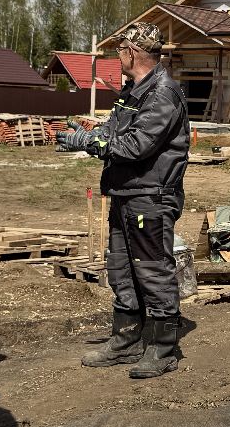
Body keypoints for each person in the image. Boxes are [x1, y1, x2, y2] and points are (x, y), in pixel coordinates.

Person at [60, 22, 190, 379]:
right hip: (124, 194)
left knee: (151, 269)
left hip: (150, 196)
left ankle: (163, 347)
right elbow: (113, 132)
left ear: (132, 52)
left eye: (119, 50)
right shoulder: (133, 90)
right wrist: (85, 134)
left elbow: (135, 146)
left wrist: (83, 144)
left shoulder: (163, 93)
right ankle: (126, 339)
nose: (116, 57)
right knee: (121, 268)